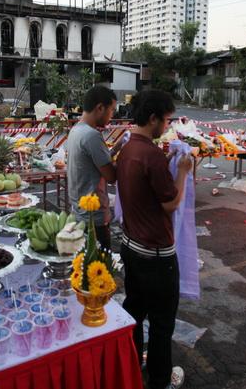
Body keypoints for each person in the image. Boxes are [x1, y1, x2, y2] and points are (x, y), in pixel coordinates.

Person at [117, 90, 191, 389]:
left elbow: (146, 185)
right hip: (157, 256)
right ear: (153, 118)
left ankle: (133, 367)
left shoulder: (128, 148)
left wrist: (167, 159)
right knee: (162, 324)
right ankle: (160, 380)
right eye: (166, 120)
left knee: (134, 309)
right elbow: (170, 204)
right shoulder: (150, 155)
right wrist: (183, 172)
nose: (167, 126)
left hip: (131, 247)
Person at [66, 85, 119, 250]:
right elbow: (111, 176)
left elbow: (95, 162)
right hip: (94, 217)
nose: (112, 116)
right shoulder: (92, 135)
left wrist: (117, 147)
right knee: (99, 267)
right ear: (100, 108)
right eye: (111, 110)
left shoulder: (76, 130)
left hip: (78, 211)